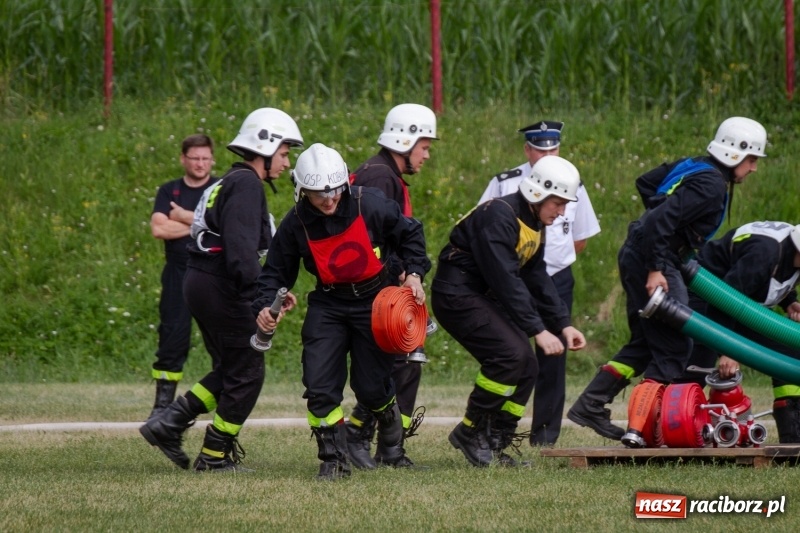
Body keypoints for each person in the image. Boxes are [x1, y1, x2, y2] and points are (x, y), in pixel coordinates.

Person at [566, 116, 768, 446]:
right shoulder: (711, 185)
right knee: (676, 345)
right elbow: (661, 220)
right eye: (752, 159)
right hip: (654, 260)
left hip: (643, 252)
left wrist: (659, 228)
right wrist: (657, 266)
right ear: (735, 154)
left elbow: (647, 183)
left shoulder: (695, 167)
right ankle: (651, 430)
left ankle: (591, 404)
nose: (754, 168)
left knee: (648, 343)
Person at [253, 143, 430, 480]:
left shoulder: (371, 204)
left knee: (371, 387)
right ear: (302, 191)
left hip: (376, 302)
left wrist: (415, 274)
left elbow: (411, 234)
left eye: (334, 190)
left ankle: (390, 427)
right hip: (329, 305)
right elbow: (275, 271)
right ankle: (333, 459)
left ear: (344, 185)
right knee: (319, 385)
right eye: (319, 193)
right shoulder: (295, 224)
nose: (329, 199)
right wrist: (264, 305)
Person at [140, 108, 303, 472]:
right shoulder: (246, 184)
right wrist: (260, 298)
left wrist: (270, 286)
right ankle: (212, 454)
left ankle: (170, 423)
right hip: (220, 284)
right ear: (265, 147)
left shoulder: (229, 181)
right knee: (247, 371)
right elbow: (241, 249)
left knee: (233, 366)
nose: (286, 162)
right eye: (284, 153)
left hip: (201, 280)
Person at [431, 156, 587, 467]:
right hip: (457, 294)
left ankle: (497, 441)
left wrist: (562, 324)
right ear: (538, 193)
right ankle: (470, 430)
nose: (562, 212)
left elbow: (536, 276)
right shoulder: (499, 216)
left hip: (483, 295)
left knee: (527, 365)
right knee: (510, 356)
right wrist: (538, 330)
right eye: (558, 203)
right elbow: (506, 280)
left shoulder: (533, 221)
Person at [478, 120, 601, 446]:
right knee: (512, 353)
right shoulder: (505, 183)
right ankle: (494, 430)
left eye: (553, 148)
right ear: (527, 150)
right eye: (539, 149)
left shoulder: (573, 182)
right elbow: (482, 228)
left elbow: (579, 239)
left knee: (553, 358)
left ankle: (544, 436)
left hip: (555, 278)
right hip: (513, 279)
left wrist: (550, 266)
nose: (547, 154)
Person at [346, 103, 438, 469]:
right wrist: (401, 273)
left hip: (382, 284)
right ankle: (361, 436)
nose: (427, 155)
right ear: (405, 139)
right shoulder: (381, 178)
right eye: (425, 146)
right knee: (397, 363)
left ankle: (388, 447)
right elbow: (371, 239)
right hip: (376, 288)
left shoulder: (380, 172)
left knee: (401, 363)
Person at [677, 221, 800, 443]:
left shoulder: (793, 252)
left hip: (742, 305)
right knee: (697, 370)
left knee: (791, 354)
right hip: (706, 295)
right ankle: (671, 427)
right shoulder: (763, 255)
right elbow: (724, 299)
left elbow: (780, 276)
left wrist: (790, 302)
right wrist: (729, 349)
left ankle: (793, 436)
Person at [147, 134, 220, 421]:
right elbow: (159, 230)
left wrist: (182, 217)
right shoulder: (169, 191)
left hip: (211, 273)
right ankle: (161, 406)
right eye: (195, 158)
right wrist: (199, 222)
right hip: (177, 272)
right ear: (183, 159)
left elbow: (221, 226)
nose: (200, 164)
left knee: (220, 340)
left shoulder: (218, 188)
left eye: (205, 158)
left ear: (212, 159)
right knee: (172, 336)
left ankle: (225, 399)